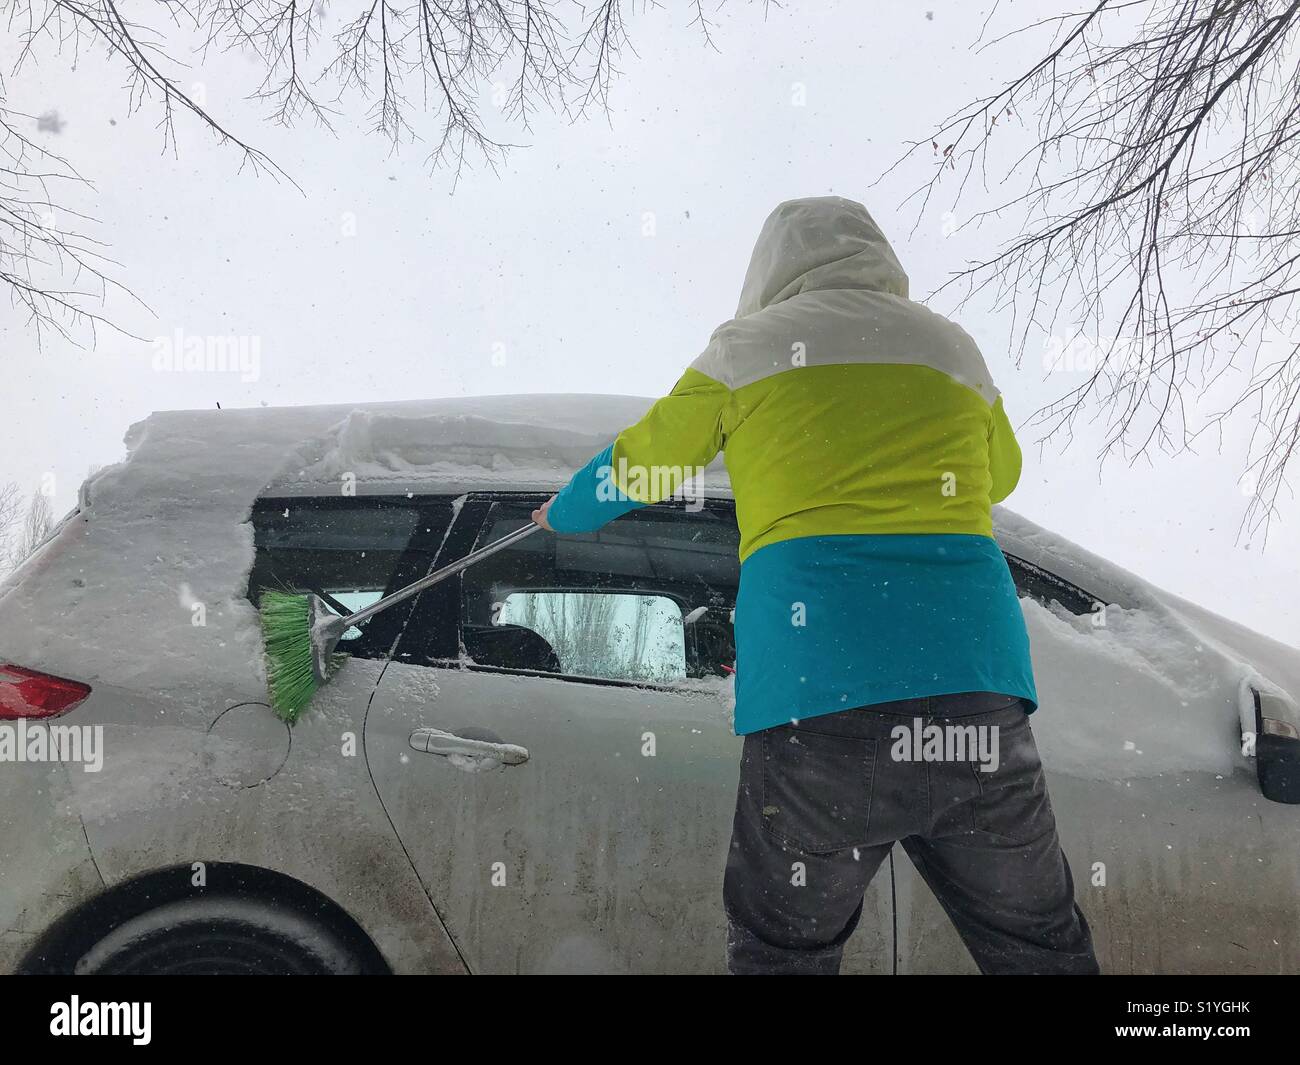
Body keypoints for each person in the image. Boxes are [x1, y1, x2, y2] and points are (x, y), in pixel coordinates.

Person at [532, 196, 1099, 976]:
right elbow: (1002, 473)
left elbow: (651, 460)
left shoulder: (747, 348)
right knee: (1039, 947)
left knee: (784, 953)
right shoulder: (951, 349)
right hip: (974, 696)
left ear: (770, 269)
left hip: (818, 701)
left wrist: (565, 511)